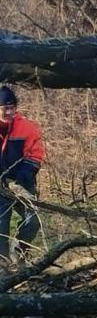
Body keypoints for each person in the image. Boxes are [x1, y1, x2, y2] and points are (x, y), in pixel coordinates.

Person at [0, 85, 45, 265]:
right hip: (0, 186)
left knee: (33, 221)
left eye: (12, 108)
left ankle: (19, 253)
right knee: (1, 227)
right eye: (5, 109)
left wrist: (26, 173)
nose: (9, 112)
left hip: (22, 183)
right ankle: (3, 264)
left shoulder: (27, 128)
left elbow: (35, 154)